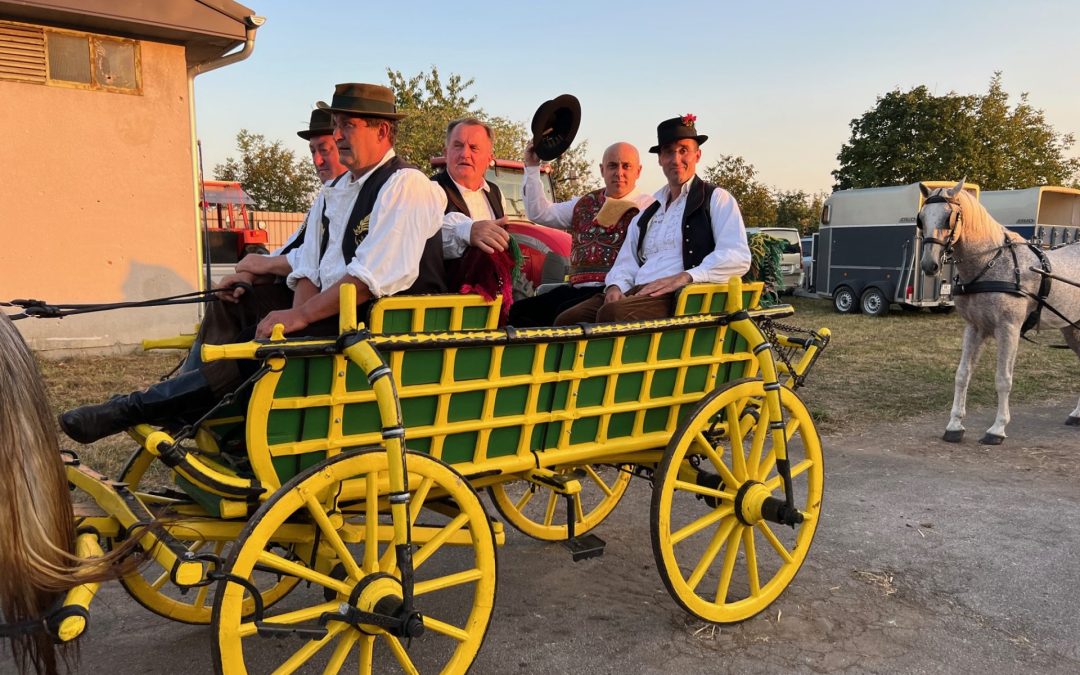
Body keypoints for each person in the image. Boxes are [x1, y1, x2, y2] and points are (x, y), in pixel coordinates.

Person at [60, 83, 447, 444]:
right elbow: (309, 269)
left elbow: (369, 278)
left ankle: (136, 408)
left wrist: (299, 321)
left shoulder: (405, 185)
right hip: (339, 312)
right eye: (337, 125)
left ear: (382, 132)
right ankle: (199, 414)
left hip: (377, 326)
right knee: (236, 300)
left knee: (260, 344)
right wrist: (292, 315)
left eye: (348, 125)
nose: (339, 134)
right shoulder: (338, 191)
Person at [554, 114, 751, 325]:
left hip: (678, 297)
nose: (676, 159)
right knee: (567, 320)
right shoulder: (650, 208)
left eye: (683, 150)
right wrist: (616, 287)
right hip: (638, 292)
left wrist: (686, 276)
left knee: (612, 316)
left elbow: (737, 255)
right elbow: (627, 261)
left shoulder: (716, 198)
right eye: (668, 152)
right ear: (660, 159)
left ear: (697, 155)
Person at [507, 140, 654, 326]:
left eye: (626, 166)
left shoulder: (649, 208)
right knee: (519, 311)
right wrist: (532, 166)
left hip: (614, 291)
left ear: (638, 171)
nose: (619, 172)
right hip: (576, 289)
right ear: (602, 170)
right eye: (612, 166)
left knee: (564, 317)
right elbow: (540, 213)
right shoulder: (585, 203)